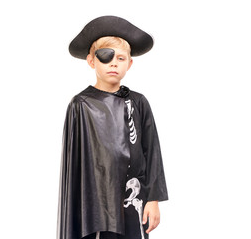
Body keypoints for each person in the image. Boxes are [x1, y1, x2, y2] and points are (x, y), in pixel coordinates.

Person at [57, 16, 168, 239]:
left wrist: (153, 199)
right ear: (91, 61)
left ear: (129, 63)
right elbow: (75, 165)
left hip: (132, 199)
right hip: (96, 206)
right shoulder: (81, 105)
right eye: (106, 57)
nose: (114, 63)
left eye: (120, 58)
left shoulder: (138, 102)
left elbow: (151, 150)